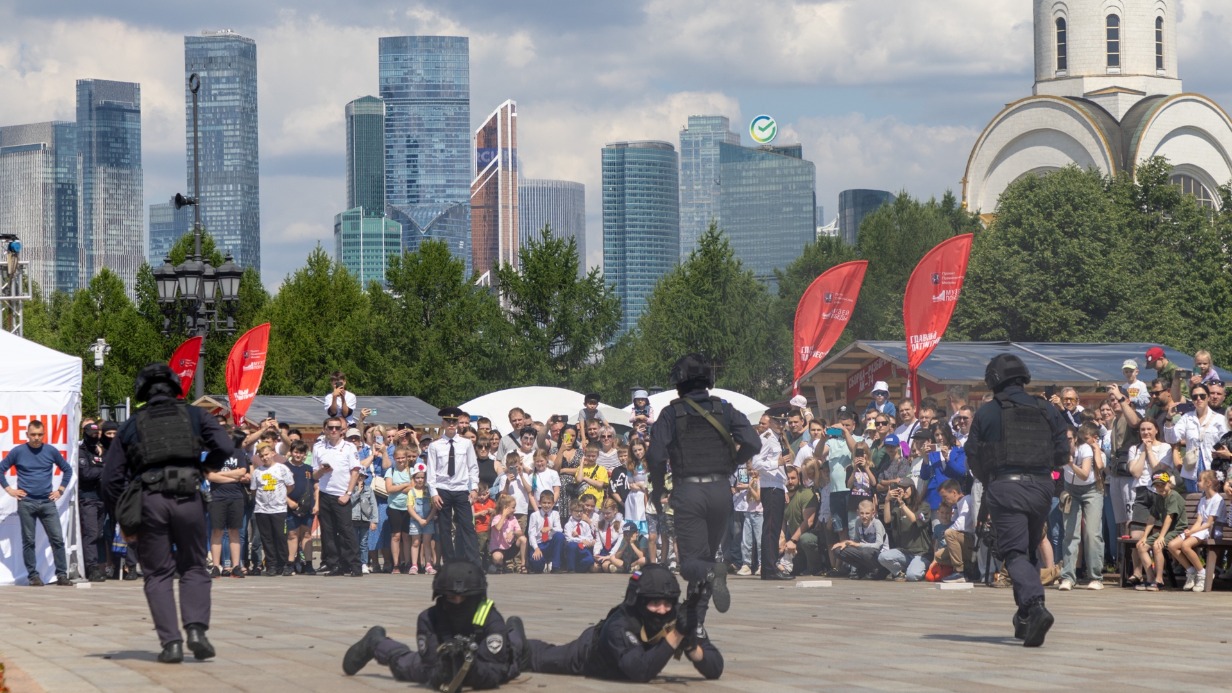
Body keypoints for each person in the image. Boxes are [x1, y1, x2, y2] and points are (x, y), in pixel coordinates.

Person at [100, 363, 235, 663]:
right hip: (188, 497)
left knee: (158, 573)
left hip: (150, 501)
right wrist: (203, 467)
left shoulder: (131, 425)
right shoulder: (196, 415)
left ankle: (171, 644)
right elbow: (225, 445)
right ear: (176, 388)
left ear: (142, 393)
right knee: (194, 566)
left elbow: (110, 480)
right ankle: (197, 630)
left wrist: (123, 516)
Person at [648, 354, 760, 628]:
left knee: (692, 565)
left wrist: (659, 488)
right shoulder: (725, 408)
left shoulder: (671, 413)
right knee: (706, 560)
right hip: (722, 492)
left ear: (679, 382)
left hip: (690, 492)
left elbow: (655, 456)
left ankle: (713, 574)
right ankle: (695, 624)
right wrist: (732, 463)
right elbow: (752, 442)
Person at [965, 354, 1069, 648]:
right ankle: (1024, 618)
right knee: (1030, 552)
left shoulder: (986, 412)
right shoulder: (1047, 408)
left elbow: (972, 454)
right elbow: (1063, 451)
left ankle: (1035, 607)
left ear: (994, 380)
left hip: (1006, 487)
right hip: (1041, 489)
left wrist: (989, 480)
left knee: (1014, 554)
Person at [511, 563, 723, 682]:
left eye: (668, 603)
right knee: (536, 658)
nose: (662, 610)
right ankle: (513, 640)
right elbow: (640, 671)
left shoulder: (679, 616)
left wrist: (692, 646)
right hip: (587, 653)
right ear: (638, 601)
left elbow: (715, 668)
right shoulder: (620, 624)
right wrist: (676, 636)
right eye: (655, 602)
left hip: (628, 656)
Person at [342, 561, 520, 689]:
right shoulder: (428, 618)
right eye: (451, 597)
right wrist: (449, 663)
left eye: (464, 598)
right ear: (441, 596)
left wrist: (469, 666)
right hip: (438, 662)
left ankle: (514, 630)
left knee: (513, 657)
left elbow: (495, 669)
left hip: (480, 661)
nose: (457, 601)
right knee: (404, 665)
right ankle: (376, 642)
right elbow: (431, 667)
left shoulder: (491, 617)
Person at [1, 419, 74, 587]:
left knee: (57, 539)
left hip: (47, 502)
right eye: (33, 434)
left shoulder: (50, 451)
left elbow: (67, 469)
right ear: (27, 434)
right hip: (26, 502)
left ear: (44, 434)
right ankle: (33, 576)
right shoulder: (18, 451)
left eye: (40, 434)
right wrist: (9, 490)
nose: (36, 438)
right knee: (29, 540)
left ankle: (62, 575)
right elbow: (1, 469)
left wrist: (61, 490)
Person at [427, 407, 481, 565]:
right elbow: (431, 471)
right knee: (444, 528)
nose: (451, 424)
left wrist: (475, 487)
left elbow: (472, 467)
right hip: (443, 488)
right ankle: (449, 562)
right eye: (448, 421)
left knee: (467, 526)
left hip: (461, 489)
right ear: (443, 423)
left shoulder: (465, 444)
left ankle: (474, 562)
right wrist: (433, 493)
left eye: (454, 421)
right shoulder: (435, 446)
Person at [313, 416, 363, 577]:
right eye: (330, 427)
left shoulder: (349, 447)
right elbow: (314, 474)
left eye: (337, 427)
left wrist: (348, 493)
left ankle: (355, 564)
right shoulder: (319, 447)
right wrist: (322, 470)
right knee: (328, 532)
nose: (333, 430)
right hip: (325, 493)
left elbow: (355, 471)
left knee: (346, 531)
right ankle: (334, 564)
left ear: (342, 430)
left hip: (342, 494)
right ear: (325, 429)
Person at [1168, 469, 1223, 592]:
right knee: (1172, 545)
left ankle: (1202, 574)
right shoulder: (1203, 500)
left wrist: (1191, 533)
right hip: (1200, 530)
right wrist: (1190, 532)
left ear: (1208, 483)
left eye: (1199, 481)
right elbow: (1199, 520)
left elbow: (1209, 523)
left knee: (1186, 546)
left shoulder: (1217, 499)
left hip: (1212, 530)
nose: (1197, 483)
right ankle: (1191, 571)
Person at [1134, 471, 1188, 592]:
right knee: (1141, 546)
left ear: (1169, 483)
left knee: (1157, 546)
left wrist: (1161, 537)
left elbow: (1170, 517)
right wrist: (1144, 536)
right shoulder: (1159, 497)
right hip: (1168, 530)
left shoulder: (1173, 496)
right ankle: (1150, 578)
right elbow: (1152, 517)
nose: (1160, 488)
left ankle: (1159, 580)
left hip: (1178, 529)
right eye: (1157, 486)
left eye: (1162, 485)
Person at [250, 442, 295, 576]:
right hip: (262, 510)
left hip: (279, 509)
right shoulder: (257, 472)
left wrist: (281, 496)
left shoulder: (282, 469)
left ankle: (285, 564)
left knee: (281, 537)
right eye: (261, 456)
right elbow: (253, 490)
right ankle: (271, 565)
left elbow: (290, 486)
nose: (264, 458)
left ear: (272, 453)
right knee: (267, 539)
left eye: (266, 454)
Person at [77, 422, 108, 582]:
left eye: (97, 435)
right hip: (88, 497)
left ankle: (99, 565)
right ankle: (92, 567)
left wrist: (101, 465)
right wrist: (102, 469)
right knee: (91, 533)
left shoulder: (100, 450)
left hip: (101, 498)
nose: (95, 437)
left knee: (99, 534)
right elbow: (86, 474)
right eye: (92, 434)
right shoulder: (81, 452)